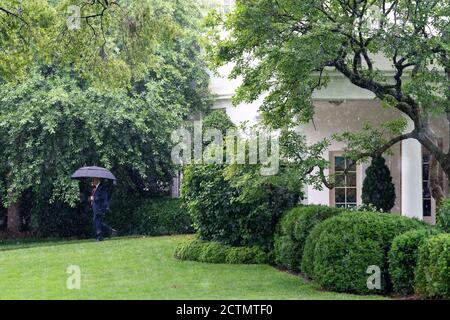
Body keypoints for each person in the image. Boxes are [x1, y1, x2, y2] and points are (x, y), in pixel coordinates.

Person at [90, 177, 117, 241]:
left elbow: (103, 197)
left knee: (97, 222)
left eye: (93, 180)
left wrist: (94, 198)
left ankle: (99, 237)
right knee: (97, 222)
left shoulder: (102, 187)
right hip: (95, 208)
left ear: (97, 180)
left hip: (100, 208)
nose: (92, 181)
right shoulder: (95, 188)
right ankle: (110, 231)